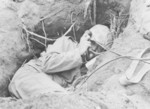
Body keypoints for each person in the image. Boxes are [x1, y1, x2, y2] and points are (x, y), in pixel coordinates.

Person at [8, 24, 112, 99]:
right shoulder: (67, 43)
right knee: (64, 99)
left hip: (42, 92)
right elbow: (47, 64)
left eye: (100, 49)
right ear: (86, 38)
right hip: (29, 77)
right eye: (94, 44)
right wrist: (78, 53)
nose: (95, 51)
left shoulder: (85, 70)